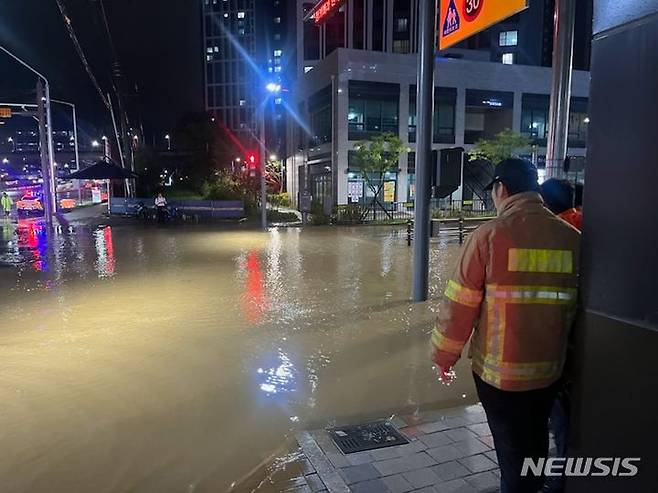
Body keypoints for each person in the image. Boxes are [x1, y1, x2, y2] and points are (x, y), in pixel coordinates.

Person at [431, 158, 580, 493]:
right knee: (536, 439)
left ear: (501, 188)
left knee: (511, 453)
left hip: (500, 377)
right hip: (550, 373)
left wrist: (444, 357)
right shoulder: (571, 238)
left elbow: (458, 307)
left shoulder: (488, 236)